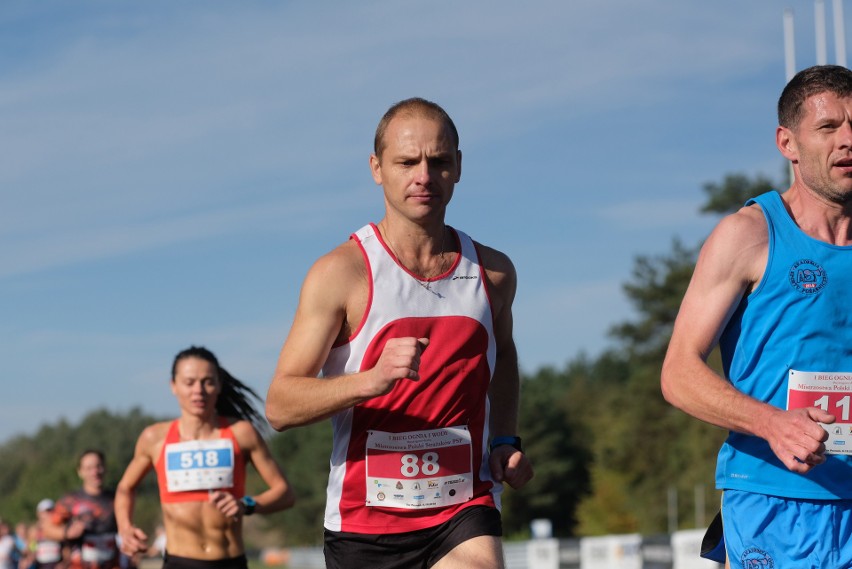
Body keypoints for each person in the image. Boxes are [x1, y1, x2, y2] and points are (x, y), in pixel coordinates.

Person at [265, 97, 534, 569]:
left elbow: (504, 356)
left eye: (439, 162)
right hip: (365, 524)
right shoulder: (341, 273)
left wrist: (505, 441)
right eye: (406, 162)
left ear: (459, 167)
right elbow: (280, 406)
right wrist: (369, 381)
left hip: (462, 506)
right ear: (377, 168)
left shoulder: (493, 274)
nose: (424, 177)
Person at [661, 64, 852, 568]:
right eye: (829, 127)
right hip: (775, 503)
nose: (848, 140)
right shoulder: (750, 234)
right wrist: (772, 424)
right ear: (787, 143)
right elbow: (678, 373)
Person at [115, 346, 294, 569]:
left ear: (219, 385)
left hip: (231, 561)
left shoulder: (241, 433)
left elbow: (285, 494)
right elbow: (125, 488)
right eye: (189, 382)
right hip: (179, 562)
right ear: (173, 386)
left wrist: (246, 504)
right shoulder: (155, 438)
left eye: (207, 381)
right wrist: (125, 528)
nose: (198, 391)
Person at [41, 450, 119, 569]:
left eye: (98, 466)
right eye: (88, 468)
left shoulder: (116, 498)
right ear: (80, 472)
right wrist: (67, 532)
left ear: (105, 468)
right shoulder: (70, 501)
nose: (95, 472)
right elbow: (47, 529)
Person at [32, 500, 62, 569]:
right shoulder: (34, 529)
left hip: (56, 563)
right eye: (46, 511)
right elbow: (31, 546)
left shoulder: (60, 528)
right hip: (41, 564)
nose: (49, 513)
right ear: (39, 513)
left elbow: (65, 547)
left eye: (51, 511)